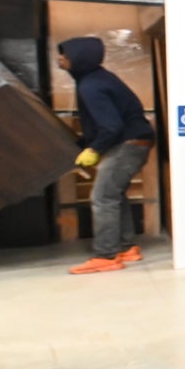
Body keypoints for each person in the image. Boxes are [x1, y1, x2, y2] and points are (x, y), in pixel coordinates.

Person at [57, 36, 155, 275]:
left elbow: (111, 126)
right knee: (114, 195)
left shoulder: (91, 85)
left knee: (102, 198)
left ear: (79, 59)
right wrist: (86, 143)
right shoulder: (97, 79)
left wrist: (94, 149)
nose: (59, 59)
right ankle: (126, 247)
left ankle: (107, 255)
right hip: (135, 142)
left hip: (127, 145)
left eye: (64, 55)